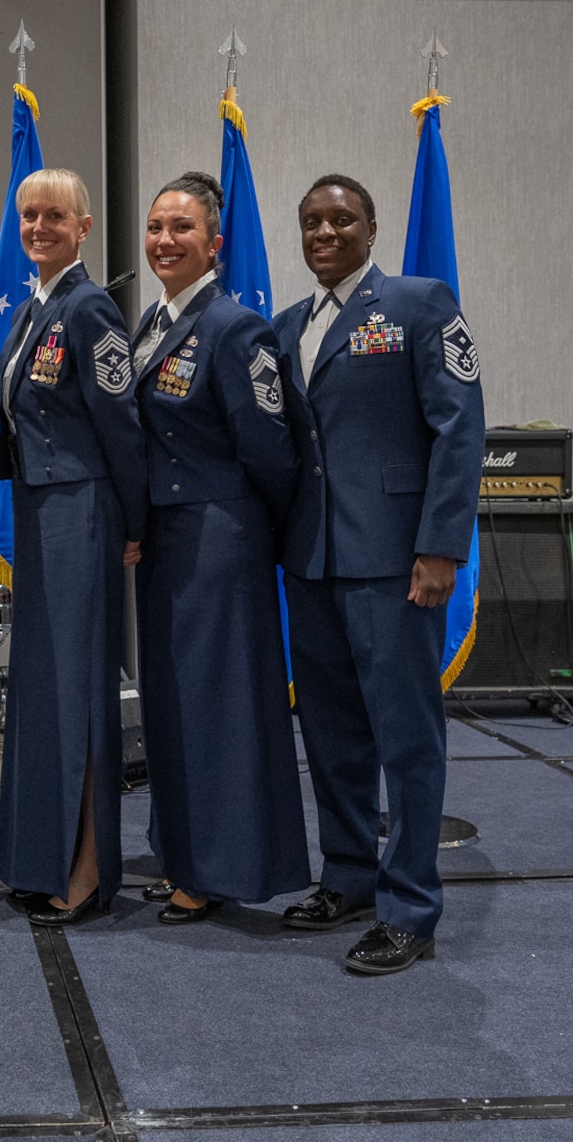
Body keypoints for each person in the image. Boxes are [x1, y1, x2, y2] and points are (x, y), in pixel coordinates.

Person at [272, 173, 484, 975]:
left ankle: (410, 908)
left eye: (340, 219)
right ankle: (351, 875)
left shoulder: (420, 303)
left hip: (398, 561)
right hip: (315, 560)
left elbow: (460, 427)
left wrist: (441, 548)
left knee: (406, 739)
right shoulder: (288, 323)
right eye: (311, 221)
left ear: (371, 226)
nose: (324, 233)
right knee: (329, 734)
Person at [129, 172, 309, 925]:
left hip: (217, 539)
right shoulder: (147, 323)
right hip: (167, 543)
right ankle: (183, 854)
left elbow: (270, 448)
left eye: (182, 228)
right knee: (172, 705)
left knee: (219, 707)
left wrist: (247, 530)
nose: (166, 240)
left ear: (215, 242)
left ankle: (218, 868)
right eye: (157, 227)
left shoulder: (235, 328)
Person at [0, 168, 146, 926]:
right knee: (45, 690)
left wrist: (131, 523)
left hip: (82, 509)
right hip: (38, 505)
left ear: (84, 227)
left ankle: (87, 869)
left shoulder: (90, 310)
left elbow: (121, 427)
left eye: (55, 215)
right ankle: (45, 852)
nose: (39, 226)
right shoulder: (32, 309)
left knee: (80, 689)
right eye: (29, 214)